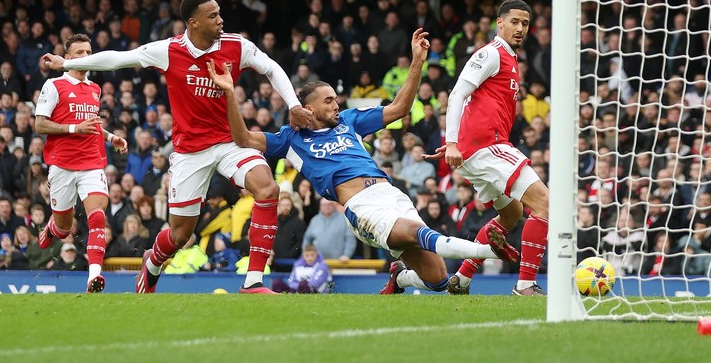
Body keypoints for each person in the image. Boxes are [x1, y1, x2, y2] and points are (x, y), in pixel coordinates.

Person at [40, 0, 308, 295]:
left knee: (268, 188)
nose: (221, 20)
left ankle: (253, 281)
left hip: (229, 141)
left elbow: (271, 67)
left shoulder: (236, 45)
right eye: (213, 16)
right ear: (193, 23)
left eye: (220, 14)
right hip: (190, 151)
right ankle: (152, 264)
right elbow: (118, 60)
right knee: (181, 234)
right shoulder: (170, 50)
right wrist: (66, 64)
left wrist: (293, 104)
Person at [210, 27, 504, 295]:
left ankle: (399, 278)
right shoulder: (290, 139)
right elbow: (244, 139)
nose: (336, 104)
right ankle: (490, 251)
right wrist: (227, 94)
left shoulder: (349, 120)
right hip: (361, 207)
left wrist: (417, 61)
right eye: (328, 101)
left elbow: (400, 109)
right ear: (308, 107)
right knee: (419, 234)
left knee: (438, 278)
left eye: (336, 99)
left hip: (390, 194)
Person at [438, 0, 546, 296]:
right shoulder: (491, 53)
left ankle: (462, 277)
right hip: (487, 147)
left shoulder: (510, 58)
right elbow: (458, 93)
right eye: (514, 22)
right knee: (546, 204)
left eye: (525, 23)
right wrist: (451, 142)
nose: (520, 28)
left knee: (512, 214)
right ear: (499, 23)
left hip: (479, 149)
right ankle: (525, 285)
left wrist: (458, 141)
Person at [34, 33, 129, 293]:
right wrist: (75, 128)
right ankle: (53, 228)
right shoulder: (54, 86)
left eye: (89, 52)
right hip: (62, 165)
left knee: (97, 217)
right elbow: (39, 124)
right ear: (67, 58)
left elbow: (92, 126)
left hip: (92, 163)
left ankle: (94, 276)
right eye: (79, 53)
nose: (86, 57)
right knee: (65, 228)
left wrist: (111, 138)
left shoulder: (94, 88)